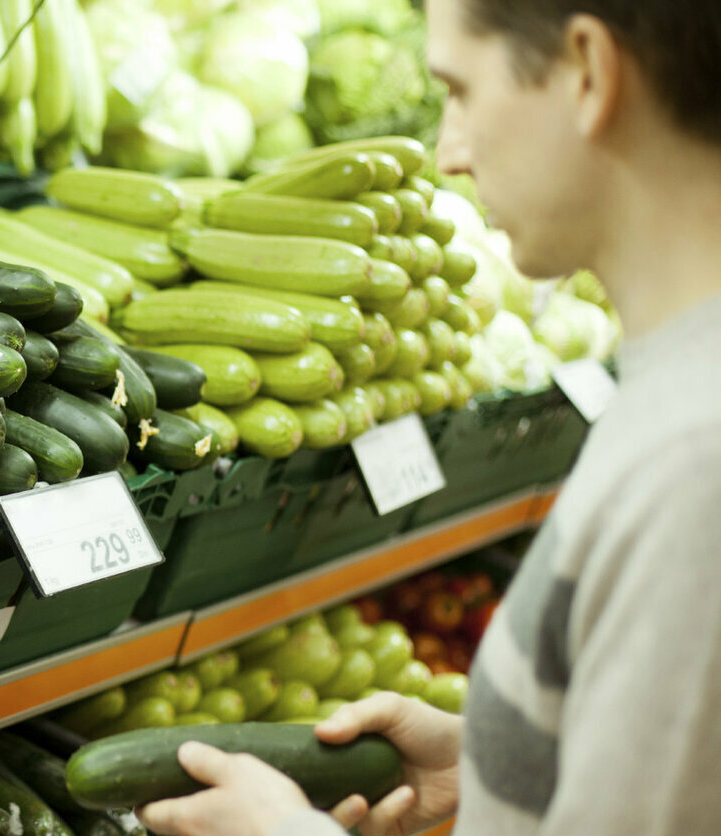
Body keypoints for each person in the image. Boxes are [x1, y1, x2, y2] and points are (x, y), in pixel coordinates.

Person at [135, 1, 721, 834]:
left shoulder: (693, 466)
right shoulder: (680, 396)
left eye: (461, 90)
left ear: (589, 73)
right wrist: (498, 765)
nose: (450, 153)